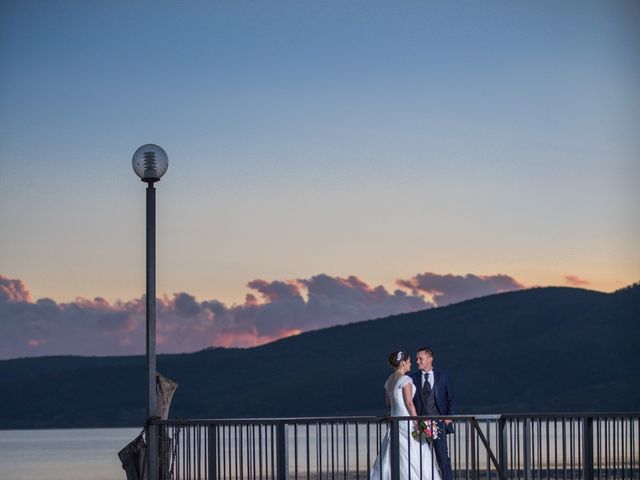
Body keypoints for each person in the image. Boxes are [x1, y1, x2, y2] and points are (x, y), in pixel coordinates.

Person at [370, 351, 442, 480]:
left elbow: (388, 402)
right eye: (409, 362)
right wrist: (417, 423)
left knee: (394, 453)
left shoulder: (389, 380)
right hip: (407, 421)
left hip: (395, 421)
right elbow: (409, 403)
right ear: (403, 363)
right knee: (415, 454)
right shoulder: (405, 379)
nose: (411, 364)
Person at [410, 348, 455, 480]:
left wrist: (449, 417)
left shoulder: (443, 376)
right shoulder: (412, 378)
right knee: (421, 459)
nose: (417, 361)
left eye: (420, 358)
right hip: (419, 425)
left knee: (443, 459)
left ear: (430, 359)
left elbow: (451, 399)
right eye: (416, 358)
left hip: (439, 424)